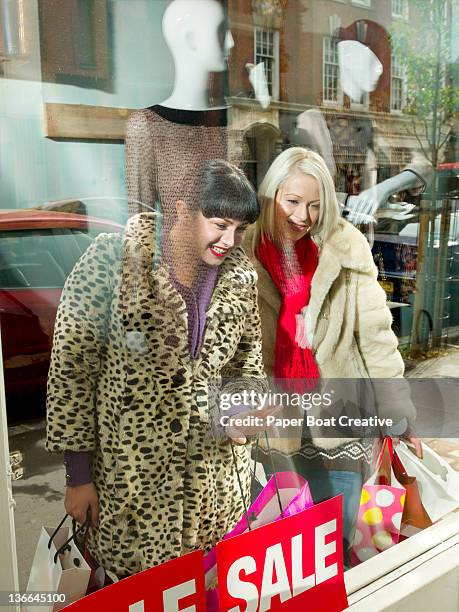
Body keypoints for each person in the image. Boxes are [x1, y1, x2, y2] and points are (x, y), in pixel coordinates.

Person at [46, 159, 267, 581]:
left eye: (239, 229)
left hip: (214, 492)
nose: (229, 240)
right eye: (219, 223)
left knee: (204, 591)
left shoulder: (240, 277)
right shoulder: (113, 262)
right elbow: (72, 372)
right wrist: (77, 476)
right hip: (130, 491)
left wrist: (243, 409)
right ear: (182, 209)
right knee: (133, 592)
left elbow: (247, 357)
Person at [244, 147, 421, 565]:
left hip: (341, 426)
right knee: (281, 552)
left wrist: (399, 410)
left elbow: (376, 336)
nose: (302, 217)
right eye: (292, 202)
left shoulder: (346, 246)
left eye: (314, 206)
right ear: (271, 195)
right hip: (274, 433)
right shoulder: (242, 250)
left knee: (339, 545)